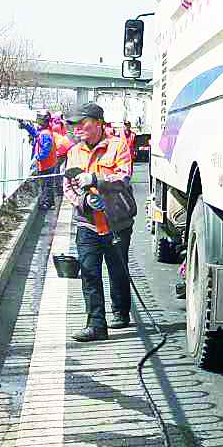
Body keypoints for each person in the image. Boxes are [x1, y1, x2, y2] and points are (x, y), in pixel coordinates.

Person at [62, 101, 136, 342]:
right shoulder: (74, 152)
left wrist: (95, 178)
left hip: (116, 223)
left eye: (82, 123)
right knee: (89, 272)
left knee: (117, 270)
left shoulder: (117, 146)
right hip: (88, 224)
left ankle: (121, 312)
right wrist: (82, 201)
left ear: (98, 124)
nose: (77, 129)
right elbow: (68, 187)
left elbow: (123, 176)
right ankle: (96, 325)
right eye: (74, 125)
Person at [18, 112, 66, 210]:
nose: (38, 124)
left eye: (40, 121)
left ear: (45, 122)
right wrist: (26, 125)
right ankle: (48, 202)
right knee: (46, 184)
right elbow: (35, 133)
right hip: (48, 163)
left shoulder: (45, 134)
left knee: (47, 185)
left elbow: (45, 150)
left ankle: (48, 203)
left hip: (47, 164)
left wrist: (38, 158)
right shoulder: (44, 132)